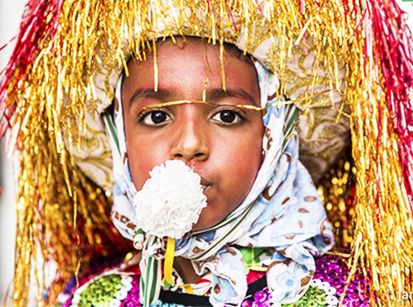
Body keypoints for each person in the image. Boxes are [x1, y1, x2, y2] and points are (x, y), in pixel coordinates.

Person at [0, 0, 412, 306]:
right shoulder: (91, 297)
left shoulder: (341, 296)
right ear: (120, 140)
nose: (190, 144)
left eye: (229, 116)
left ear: (274, 140)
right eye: (157, 117)